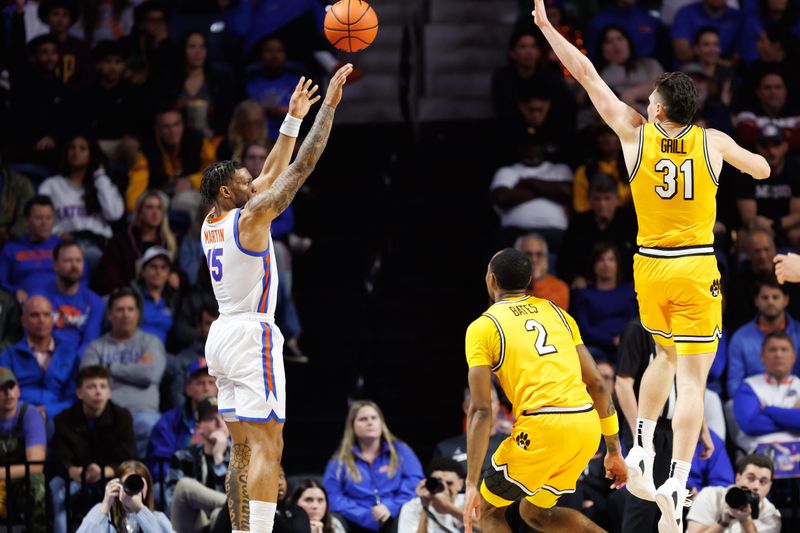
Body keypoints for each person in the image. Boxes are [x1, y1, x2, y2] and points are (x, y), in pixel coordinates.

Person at [530, 2, 770, 531]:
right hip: (696, 267)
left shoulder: (635, 133)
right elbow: (762, 168)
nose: (643, 102)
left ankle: (641, 448)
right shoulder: (711, 141)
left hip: (650, 267)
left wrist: (547, 28)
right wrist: (740, 159)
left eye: (649, 99)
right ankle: (677, 481)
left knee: (661, 355)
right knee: (694, 379)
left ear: (659, 111)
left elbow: (588, 75)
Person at [199, 64, 352, 532]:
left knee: (242, 450)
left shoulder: (213, 221)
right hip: (251, 333)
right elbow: (299, 168)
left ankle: (243, 529)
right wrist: (327, 108)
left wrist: (290, 119)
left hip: (221, 336)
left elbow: (268, 172)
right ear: (230, 192)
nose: (257, 183)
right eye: (246, 183)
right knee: (270, 447)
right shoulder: (251, 219)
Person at [462, 248, 627, 533]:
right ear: (529, 281)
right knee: (536, 513)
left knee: (488, 511)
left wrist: (470, 483)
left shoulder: (483, 327)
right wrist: (613, 449)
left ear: (491, 280)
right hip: (585, 425)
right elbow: (597, 384)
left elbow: (480, 410)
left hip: (543, 424)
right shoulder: (556, 312)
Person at [81, 286, 166, 458]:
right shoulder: (96, 347)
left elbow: (149, 374)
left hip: (143, 413)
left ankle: (145, 481)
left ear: (137, 314)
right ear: (109, 315)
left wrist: (109, 369)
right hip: (105, 414)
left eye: (130, 309)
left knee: (151, 425)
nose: (125, 314)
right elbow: (88, 382)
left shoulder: (150, 342)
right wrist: (135, 370)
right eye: (119, 310)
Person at [51, 365, 135, 533]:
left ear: (109, 392)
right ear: (79, 393)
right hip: (76, 479)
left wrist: (107, 470)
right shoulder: (64, 419)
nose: (98, 392)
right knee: (56, 486)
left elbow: (128, 456)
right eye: (91, 387)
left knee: (127, 484)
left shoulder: (122, 417)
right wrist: (71, 470)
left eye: (103, 386)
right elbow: (58, 456)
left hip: (110, 476)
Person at [323, 400, 424, 532]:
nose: (369, 422)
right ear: (352, 426)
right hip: (355, 521)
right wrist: (365, 515)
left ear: (381, 423)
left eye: (374, 418)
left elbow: (415, 483)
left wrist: (390, 507)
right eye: (363, 419)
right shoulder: (340, 459)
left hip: (397, 515)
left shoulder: (401, 451)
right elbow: (332, 495)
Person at [39, 133, 125, 271]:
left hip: (98, 244)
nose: (76, 152)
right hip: (64, 244)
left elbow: (114, 214)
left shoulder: (102, 185)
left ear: (91, 154)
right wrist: (57, 233)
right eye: (72, 148)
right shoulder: (51, 185)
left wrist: (100, 176)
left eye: (82, 148)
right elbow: (40, 216)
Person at [0, 295, 80, 422]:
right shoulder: (9, 355)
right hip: (18, 416)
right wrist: (29, 413)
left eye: (46, 315)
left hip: (59, 416)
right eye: (35, 315)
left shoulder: (69, 354)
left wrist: (49, 411)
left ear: (53, 319)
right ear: (23, 321)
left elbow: (74, 396)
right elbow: (4, 392)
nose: (41, 320)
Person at [726, 276, 800, 397]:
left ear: (786, 300)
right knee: (730, 406)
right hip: (755, 401)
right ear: (756, 301)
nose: (770, 301)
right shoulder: (740, 337)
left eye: (775, 297)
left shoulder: (798, 333)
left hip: (794, 398)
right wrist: (758, 401)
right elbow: (733, 385)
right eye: (765, 297)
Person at [93, 189, 177, 295]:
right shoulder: (121, 241)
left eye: (159, 208)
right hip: (126, 296)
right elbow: (108, 274)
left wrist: (176, 275)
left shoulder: (169, 243)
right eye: (149, 207)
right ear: (139, 212)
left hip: (158, 297)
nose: (155, 212)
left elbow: (176, 269)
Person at [28, 240, 104, 355]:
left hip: (80, 362)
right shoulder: (38, 298)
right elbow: (34, 338)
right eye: (68, 261)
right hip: (45, 358)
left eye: (78, 261)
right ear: (55, 266)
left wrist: (72, 364)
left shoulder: (95, 301)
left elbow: (89, 342)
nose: (74, 266)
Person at [166, 397, 229, 532]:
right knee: (184, 486)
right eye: (212, 418)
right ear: (199, 426)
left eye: (223, 417)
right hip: (191, 524)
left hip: (224, 522)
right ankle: (236, 505)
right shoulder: (182, 457)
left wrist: (218, 459)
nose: (219, 423)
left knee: (219, 514)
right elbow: (173, 503)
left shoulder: (240, 456)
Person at [148, 358, 217, 475]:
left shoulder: (229, 418)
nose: (206, 388)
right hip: (179, 482)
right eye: (200, 383)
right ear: (188, 388)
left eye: (211, 382)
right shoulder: (169, 420)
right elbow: (158, 463)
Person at [733, 331, 800, 453]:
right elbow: (751, 425)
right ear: (762, 356)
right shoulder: (748, 386)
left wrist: (768, 410)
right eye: (772, 350)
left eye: (784, 350)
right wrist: (792, 418)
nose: (778, 354)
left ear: (794, 356)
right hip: (757, 457)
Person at [571, 242, 638, 362]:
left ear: (617, 264)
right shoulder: (584, 294)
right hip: (595, 347)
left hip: (626, 345)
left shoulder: (629, 290)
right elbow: (584, 328)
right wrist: (611, 340)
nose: (606, 264)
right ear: (594, 265)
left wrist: (624, 338)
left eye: (611, 259)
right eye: (601, 260)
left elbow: (635, 320)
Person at [0, 367, 46, 532]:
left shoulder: (29, 414)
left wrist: (1, 474)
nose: (8, 393)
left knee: (36, 480)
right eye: (1, 389)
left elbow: (36, 465)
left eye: (11, 387)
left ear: (18, 390)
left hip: (19, 483)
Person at [685, 454, 781, 533]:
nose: (756, 486)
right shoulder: (710, 496)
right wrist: (723, 522)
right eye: (750, 478)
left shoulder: (771, 515)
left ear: (770, 486)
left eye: (763, 482)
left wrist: (745, 520)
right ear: (738, 478)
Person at [77, 459, 174, 532]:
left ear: (148, 487)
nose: (134, 489)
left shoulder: (157, 518)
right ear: (117, 485)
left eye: (139, 484)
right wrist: (105, 507)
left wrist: (140, 509)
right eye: (129, 483)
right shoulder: (101, 511)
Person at [432, 387, 509, 476]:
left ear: (498, 406)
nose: (486, 408)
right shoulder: (445, 449)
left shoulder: (514, 444)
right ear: (466, 408)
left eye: (490, 402)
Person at [0, 195, 59, 299]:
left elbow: (81, 279)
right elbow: (2, 280)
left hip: (60, 304)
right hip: (22, 305)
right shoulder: (11, 249)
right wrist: (14, 291)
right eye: (39, 218)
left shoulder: (64, 247)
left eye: (48, 218)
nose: (44, 223)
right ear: (26, 221)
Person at [397, 457, 464, 533]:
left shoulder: (468, 502)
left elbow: (480, 527)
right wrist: (425, 507)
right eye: (439, 484)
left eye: (449, 483)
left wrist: (449, 508)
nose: (444, 488)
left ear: (460, 484)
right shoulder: (412, 507)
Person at [515, 232, 569, 311]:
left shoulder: (559, 287)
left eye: (539, 254)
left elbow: (550, 316)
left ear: (546, 259)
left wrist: (537, 281)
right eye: (528, 254)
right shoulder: (505, 285)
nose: (534, 259)